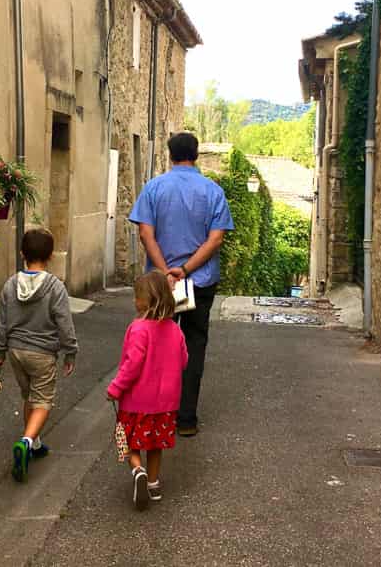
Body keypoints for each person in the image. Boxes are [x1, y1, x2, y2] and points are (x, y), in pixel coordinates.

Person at [129, 131, 234, 436]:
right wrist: (185, 270)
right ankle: (185, 418)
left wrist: (165, 273)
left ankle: (152, 412)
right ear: (196, 155)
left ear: (170, 154)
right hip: (199, 282)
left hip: (159, 286)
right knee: (193, 344)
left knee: (153, 344)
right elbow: (216, 239)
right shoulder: (213, 191)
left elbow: (146, 234)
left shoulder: (154, 188)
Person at [0, 227, 78, 483]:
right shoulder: (55, 288)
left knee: (28, 395)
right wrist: (70, 352)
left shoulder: (10, 284)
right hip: (42, 353)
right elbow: (64, 323)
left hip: (16, 352)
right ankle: (27, 441)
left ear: (22, 254)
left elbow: (2, 320)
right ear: (50, 256)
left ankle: (36, 443)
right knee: (42, 401)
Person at [107, 271, 188, 510]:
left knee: (128, 440)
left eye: (137, 296)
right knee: (155, 445)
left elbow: (132, 364)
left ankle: (137, 469)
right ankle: (153, 483)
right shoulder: (175, 330)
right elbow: (183, 361)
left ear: (147, 299)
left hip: (136, 402)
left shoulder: (138, 328)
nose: (134, 301)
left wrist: (115, 388)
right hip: (165, 404)